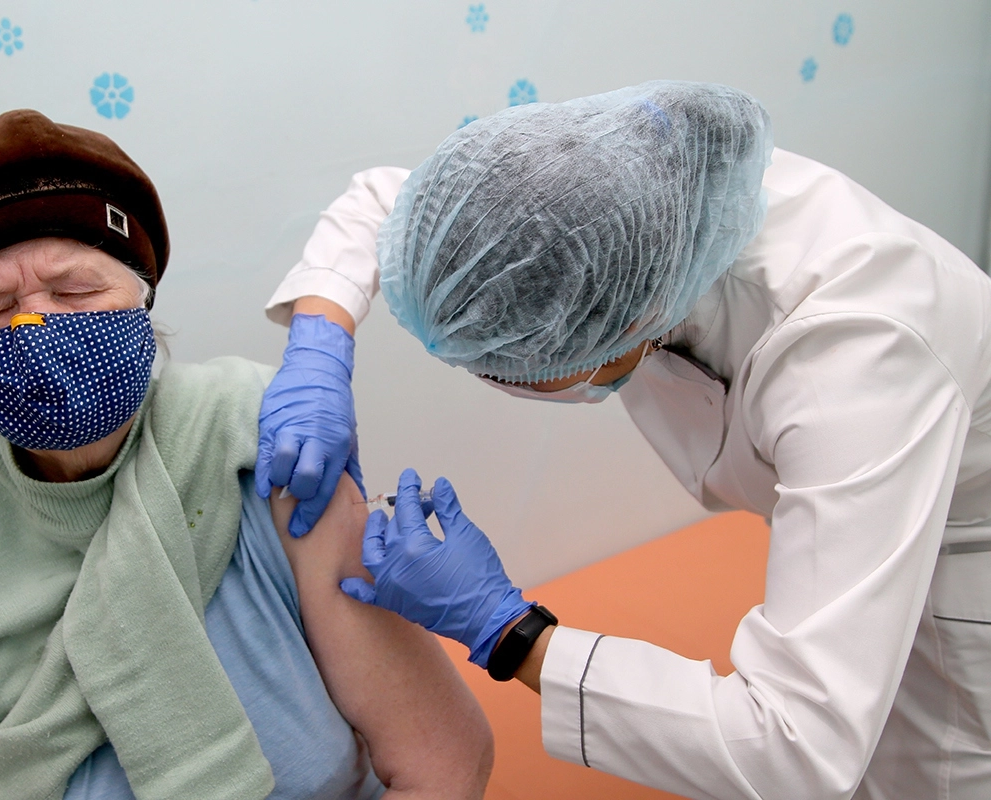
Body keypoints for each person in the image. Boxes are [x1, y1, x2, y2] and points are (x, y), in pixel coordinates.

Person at [257, 81, 991, 799]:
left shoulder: (855, 356)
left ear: (630, 325)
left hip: (959, 577)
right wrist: (320, 344)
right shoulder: (599, 212)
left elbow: (795, 750)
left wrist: (507, 630)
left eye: (505, 364)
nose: (487, 376)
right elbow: (395, 206)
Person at [0, 109, 492, 800]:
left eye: (75, 291)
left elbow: (442, 764)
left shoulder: (258, 436)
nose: (37, 325)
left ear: (142, 301)